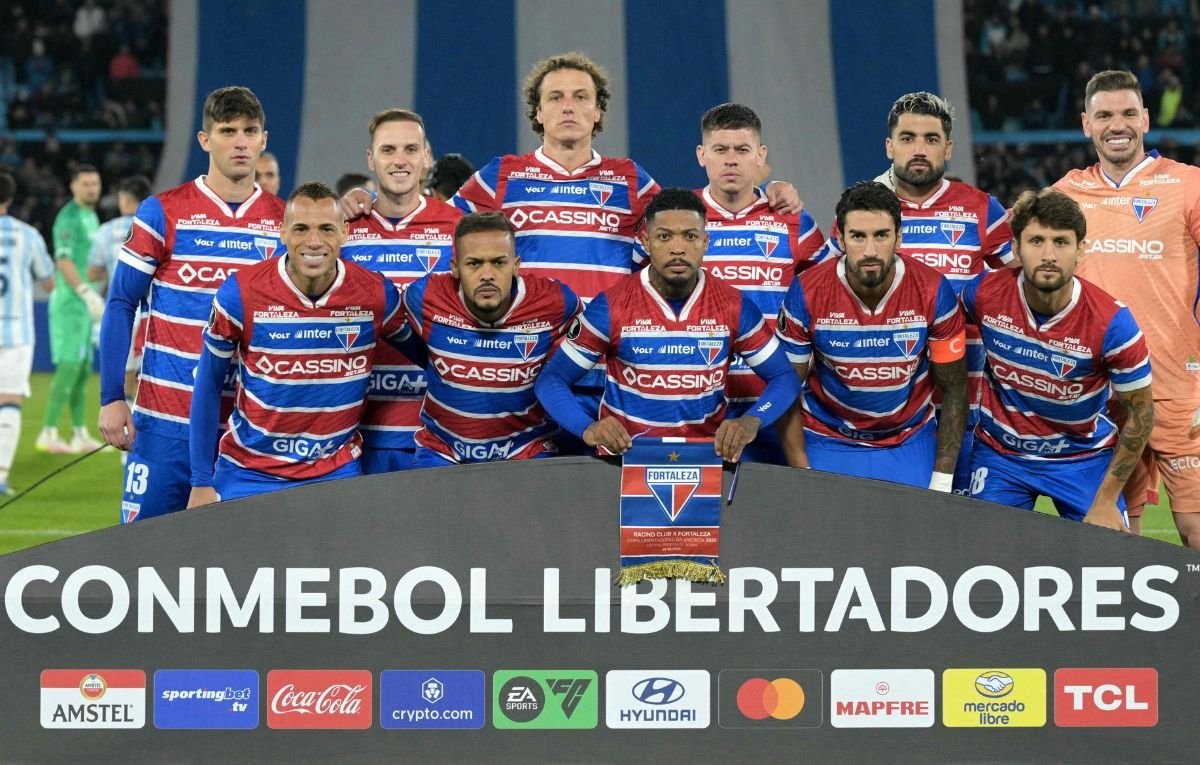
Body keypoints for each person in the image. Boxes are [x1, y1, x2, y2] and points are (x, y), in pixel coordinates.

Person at [342, 53, 799, 442]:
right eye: (555, 97)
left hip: (609, 375)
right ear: (537, 112)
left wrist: (767, 193)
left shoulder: (630, 178)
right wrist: (364, 202)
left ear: (598, 112)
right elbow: (435, 225)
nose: (568, 107)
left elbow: (685, 226)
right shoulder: (501, 175)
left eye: (581, 97)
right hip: (525, 373)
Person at [97, 86, 286, 523]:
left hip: (247, 432)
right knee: (143, 554)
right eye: (227, 131)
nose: (240, 142)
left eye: (249, 131)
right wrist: (111, 396)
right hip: (164, 424)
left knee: (240, 559)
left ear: (263, 139)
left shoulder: (284, 223)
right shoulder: (163, 212)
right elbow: (122, 302)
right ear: (205, 140)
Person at [810, 92, 1014, 492]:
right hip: (887, 411)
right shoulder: (862, 211)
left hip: (966, 403)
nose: (919, 150)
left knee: (962, 518)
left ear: (948, 148)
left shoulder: (981, 209)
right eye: (907, 138)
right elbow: (829, 290)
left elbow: (1017, 289)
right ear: (890, 146)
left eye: (931, 139)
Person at [535, 188, 799, 460]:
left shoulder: (734, 305)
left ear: (705, 242)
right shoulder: (612, 305)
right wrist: (587, 428)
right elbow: (551, 380)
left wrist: (753, 419)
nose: (678, 248)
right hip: (624, 462)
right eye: (664, 236)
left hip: (706, 460)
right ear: (646, 242)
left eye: (690, 236)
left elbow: (784, 376)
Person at [187, 182, 408, 505]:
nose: (314, 241)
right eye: (301, 229)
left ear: (344, 232)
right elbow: (207, 384)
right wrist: (200, 481)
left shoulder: (375, 294)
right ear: (283, 233)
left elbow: (432, 353)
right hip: (248, 472)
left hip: (336, 472)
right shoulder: (241, 293)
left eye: (326, 229)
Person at [1054, 70, 1200, 548]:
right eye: (1104, 116)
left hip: (1179, 389)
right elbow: (1001, 247)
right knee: (1116, 538)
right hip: (1102, 393)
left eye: (1128, 113)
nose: (1117, 125)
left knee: (1195, 528)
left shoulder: (1188, 185)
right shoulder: (1066, 195)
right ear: (1086, 124)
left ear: (1146, 119)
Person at [961, 188, 1153, 529]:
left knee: (1108, 555)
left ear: (1081, 250)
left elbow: (1142, 413)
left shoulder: (1112, 323)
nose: (1048, 254)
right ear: (1016, 247)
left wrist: (1106, 500)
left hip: (1082, 459)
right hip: (1001, 456)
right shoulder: (984, 294)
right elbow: (935, 324)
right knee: (981, 552)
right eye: (1036, 241)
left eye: (1061, 242)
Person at [776, 181, 968, 490]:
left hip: (908, 438)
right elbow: (785, 387)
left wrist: (942, 481)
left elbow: (955, 388)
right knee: (827, 521)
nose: (870, 251)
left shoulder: (933, 290)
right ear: (840, 238)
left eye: (881, 235)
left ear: (898, 237)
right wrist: (801, 471)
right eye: (858, 236)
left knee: (917, 521)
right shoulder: (808, 290)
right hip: (829, 437)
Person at [693, 103, 824, 464]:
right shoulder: (679, 218)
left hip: (776, 406)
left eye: (742, 149)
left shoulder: (793, 220)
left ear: (760, 155)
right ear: (702, 155)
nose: (731, 160)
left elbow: (829, 296)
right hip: (698, 407)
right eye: (720, 149)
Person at [403, 212, 580, 466]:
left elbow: (588, 344)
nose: (487, 274)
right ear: (455, 268)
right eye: (474, 264)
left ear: (516, 265)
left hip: (527, 450)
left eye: (499, 262)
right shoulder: (424, 297)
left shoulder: (557, 302)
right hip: (442, 451)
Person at [345, 109, 462, 474]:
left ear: (426, 157)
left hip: (439, 436)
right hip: (357, 436)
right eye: (388, 149)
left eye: (411, 149)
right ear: (371, 159)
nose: (400, 160)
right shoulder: (341, 229)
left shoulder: (459, 228)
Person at [37, 164, 103, 455]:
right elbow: (63, 261)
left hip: (85, 304)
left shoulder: (91, 216)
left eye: (95, 184)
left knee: (83, 369)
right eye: (86, 184)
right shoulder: (69, 217)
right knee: (69, 366)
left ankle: (79, 433)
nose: (92, 189)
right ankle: (48, 431)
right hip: (69, 303)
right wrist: (85, 292)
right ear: (73, 186)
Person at [0, 171, 56, 493]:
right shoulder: (28, 235)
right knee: (9, 401)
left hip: (16, 331)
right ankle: (0, 475)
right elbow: (48, 282)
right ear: (10, 198)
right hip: (16, 331)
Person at [88, 175, 152, 400]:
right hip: (151, 313)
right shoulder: (158, 226)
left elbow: (92, 273)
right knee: (148, 381)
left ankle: (125, 419)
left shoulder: (106, 230)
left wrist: (114, 271)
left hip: (121, 310)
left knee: (122, 382)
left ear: (124, 199)